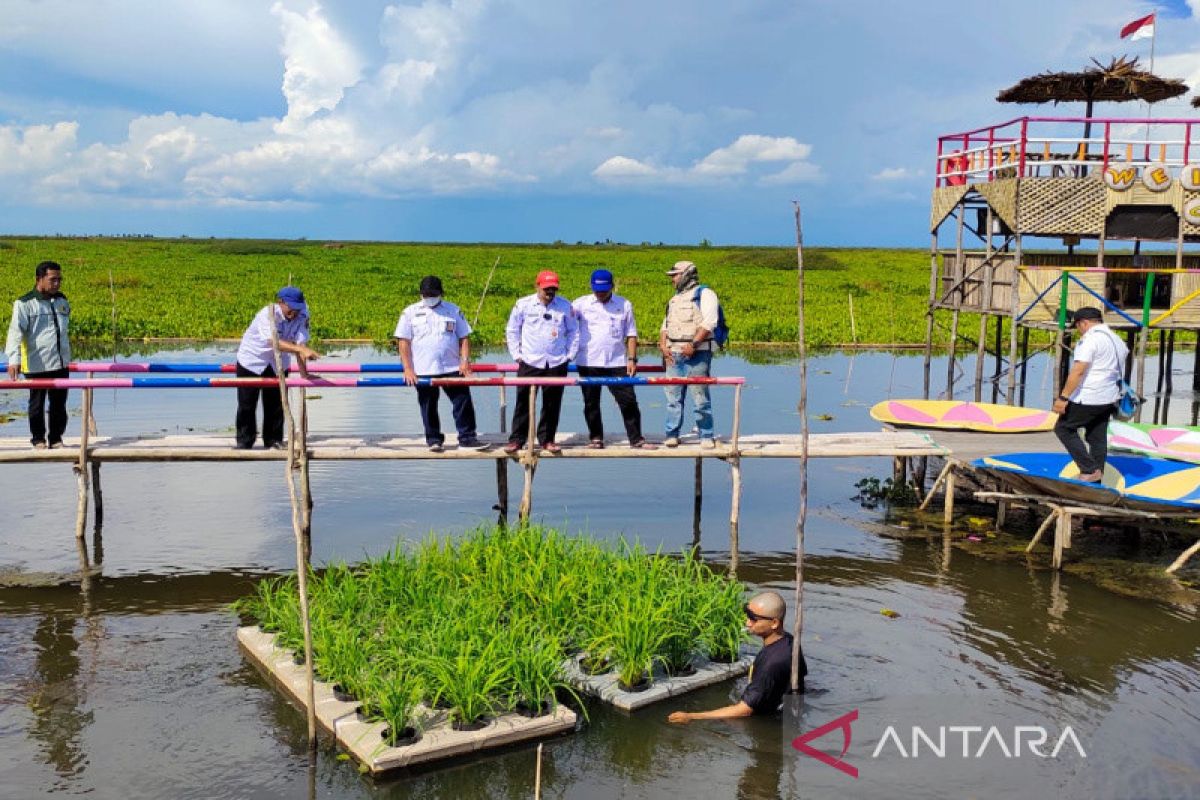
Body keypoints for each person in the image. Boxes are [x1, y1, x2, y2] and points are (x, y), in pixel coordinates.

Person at [667, 590, 806, 723]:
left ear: (774, 623)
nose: (747, 623)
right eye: (748, 616)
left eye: (753, 619)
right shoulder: (789, 641)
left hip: (769, 721)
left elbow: (744, 710)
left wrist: (692, 716)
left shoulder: (772, 664)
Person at [396, 275, 488, 453]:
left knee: (462, 402)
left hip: (452, 367)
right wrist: (408, 368)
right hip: (423, 368)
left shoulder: (453, 310)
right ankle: (434, 440)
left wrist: (464, 362)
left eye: (433, 294)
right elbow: (403, 342)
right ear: (421, 294)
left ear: (441, 293)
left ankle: (467, 438)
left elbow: (464, 338)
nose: (430, 297)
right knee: (428, 405)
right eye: (426, 294)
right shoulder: (410, 312)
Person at [572, 269, 656, 450]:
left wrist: (632, 359)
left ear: (612, 286)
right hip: (588, 360)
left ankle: (636, 438)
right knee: (591, 402)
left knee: (628, 401)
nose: (600, 293)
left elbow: (631, 334)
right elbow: (566, 326)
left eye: (604, 289)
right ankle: (596, 438)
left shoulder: (624, 304)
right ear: (591, 286)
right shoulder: (580, 304)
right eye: (597, 289)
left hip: (617, 361)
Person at [234, 287, 320, 450]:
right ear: (281, 302)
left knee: (276, 403)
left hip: (279, 363)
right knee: (247, 404)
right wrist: (300, 350)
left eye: (297, 308)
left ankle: (273, 440)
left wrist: (305, 375)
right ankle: (245, 441)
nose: (293, 312)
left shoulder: (303, 315)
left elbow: (301, 344)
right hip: (252, 360)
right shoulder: (267, 314)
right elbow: (273, 342)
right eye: (291, 308)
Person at [504, 270, 579, 454]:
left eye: (553, 288)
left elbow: (574, 332)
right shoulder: (523, 305)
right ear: (537, 286)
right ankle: (517, 440)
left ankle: (547, 439)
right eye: (546, 288)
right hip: (529, 361)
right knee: (523, 402)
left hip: (556, 362)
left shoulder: (565, 306)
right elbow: (512, 330)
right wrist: (517, 355)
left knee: (552, 403)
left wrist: (569, 356)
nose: (550, 291)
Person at [1052, 306, 1129, 482]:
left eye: (1078, 327)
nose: (1078, 331)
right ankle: (1096, 477)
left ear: (1084, 323)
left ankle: (1089, 469)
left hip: (1090, 396)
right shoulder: (1117, 340)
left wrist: (1063, 397)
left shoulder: (1090, 340)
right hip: (1109, 397)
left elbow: (1078, 371)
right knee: (1096, 436)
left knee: (1063, 428)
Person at [5, 261, 71, 449]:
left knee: (59, 405)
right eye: (52, 280)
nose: (57, 284)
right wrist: (14, 359)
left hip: (60, 362)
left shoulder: (62, 300)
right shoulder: (25, 304)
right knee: (37, 404)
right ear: (39, 279)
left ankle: (56, 438)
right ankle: (39, 439)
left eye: (59, 279)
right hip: (36, 363)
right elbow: (15, 332)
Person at [659, 260, 719, 449]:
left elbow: (710, 322)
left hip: (697, 355)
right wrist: (662, 345)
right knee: (672, 398)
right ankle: (672, 434)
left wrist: (694, 344)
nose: (672, 279)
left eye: (675, 275)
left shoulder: (705, 294)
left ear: (686, 274)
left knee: (700, 398)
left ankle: (706, 435)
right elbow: (665, 325)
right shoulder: (674, 299)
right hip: (673, 354)